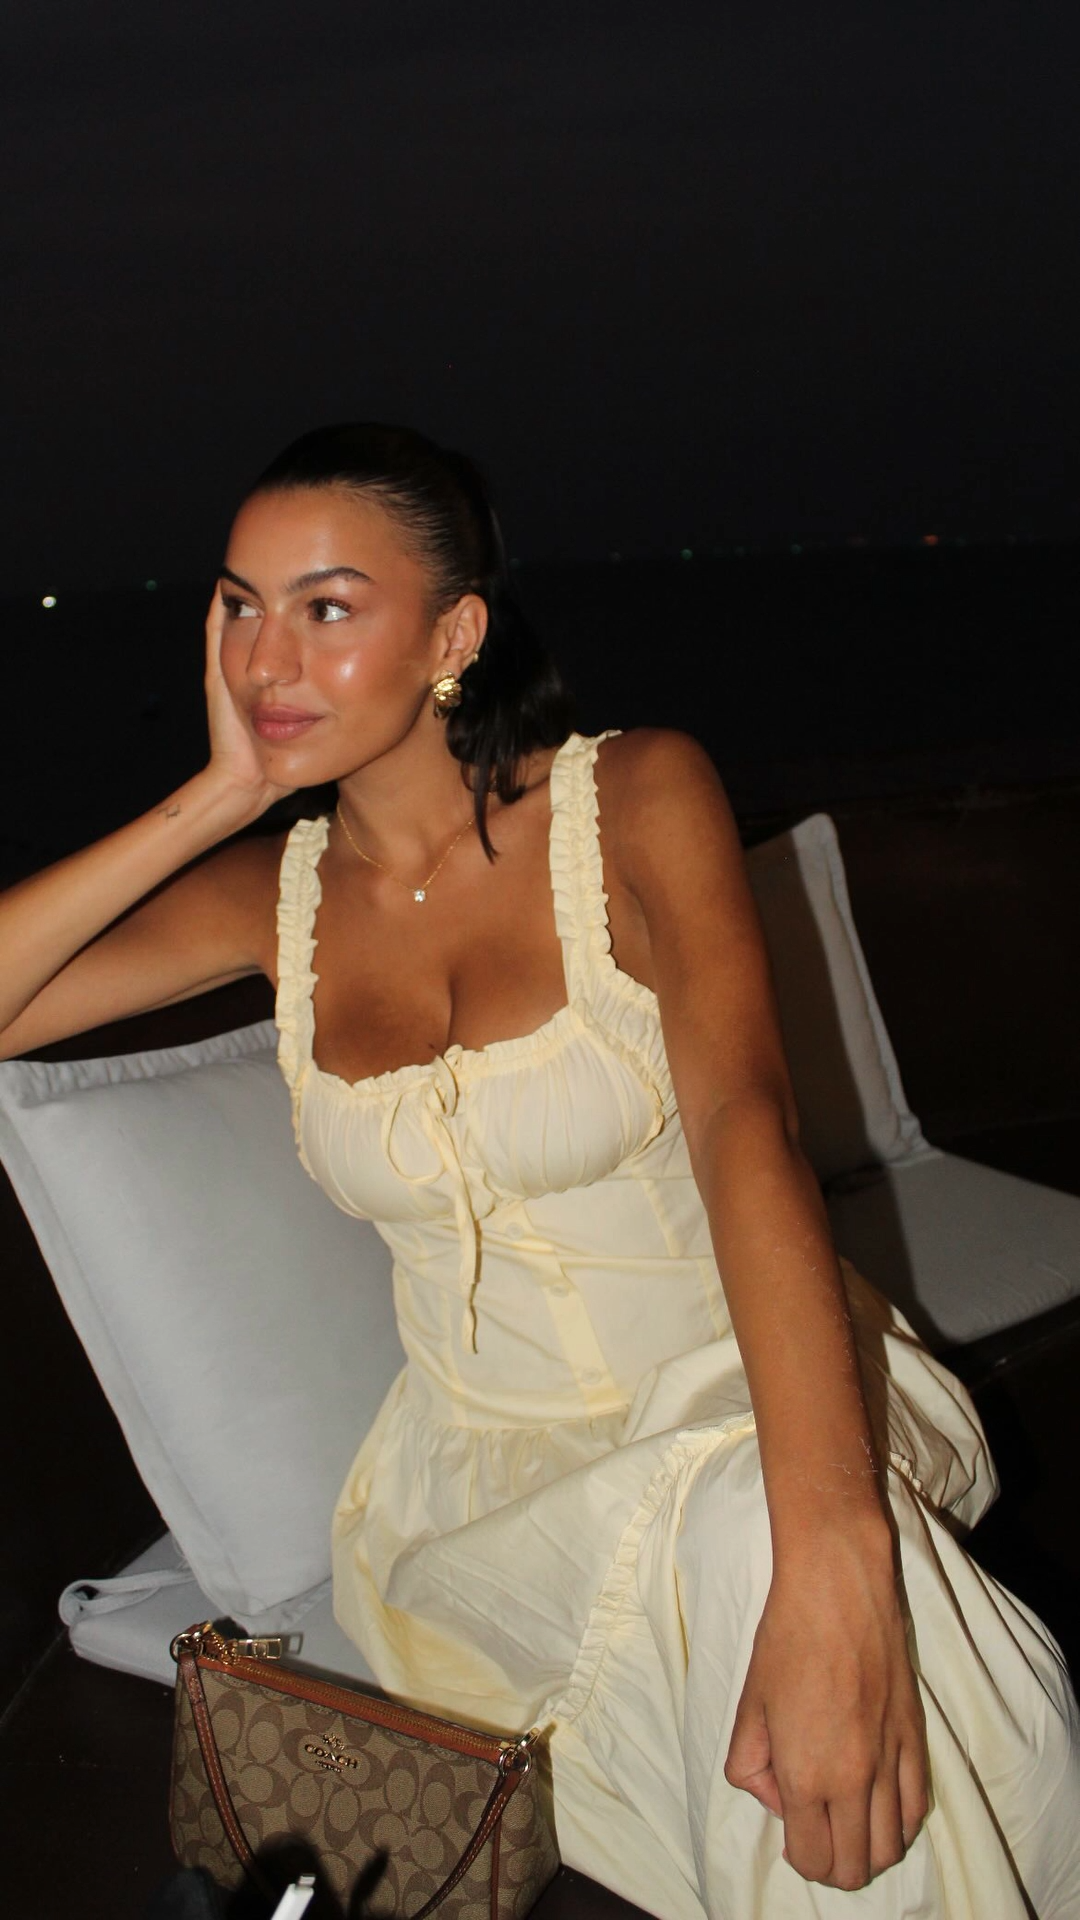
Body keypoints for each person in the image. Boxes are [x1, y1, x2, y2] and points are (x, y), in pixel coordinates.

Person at [1, 424, 1076, 1918]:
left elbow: (745, 1127)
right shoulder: (273, 899)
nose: (264, 658)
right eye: (239, 606)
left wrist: (837, 1544)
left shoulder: (633, 797)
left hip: (748, 1387)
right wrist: (217, 798)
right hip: (474, 1501)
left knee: (769, 1557)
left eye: (325, 606)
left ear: (454, 637)